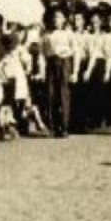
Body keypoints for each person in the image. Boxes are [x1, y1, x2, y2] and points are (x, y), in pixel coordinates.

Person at [39, 8, 80, 138]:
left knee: (64, 95)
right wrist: (41, 70)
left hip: (65, 63)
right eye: (55, 17)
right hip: (51, 64)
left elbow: (76, 52)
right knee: (51, 95)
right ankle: (53, 127)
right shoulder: (46, 35)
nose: (56, 20)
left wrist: (75, 72)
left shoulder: (69, 34)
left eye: (59, 17)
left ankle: (64, 127)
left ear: (64, 19)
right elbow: (42, 54)